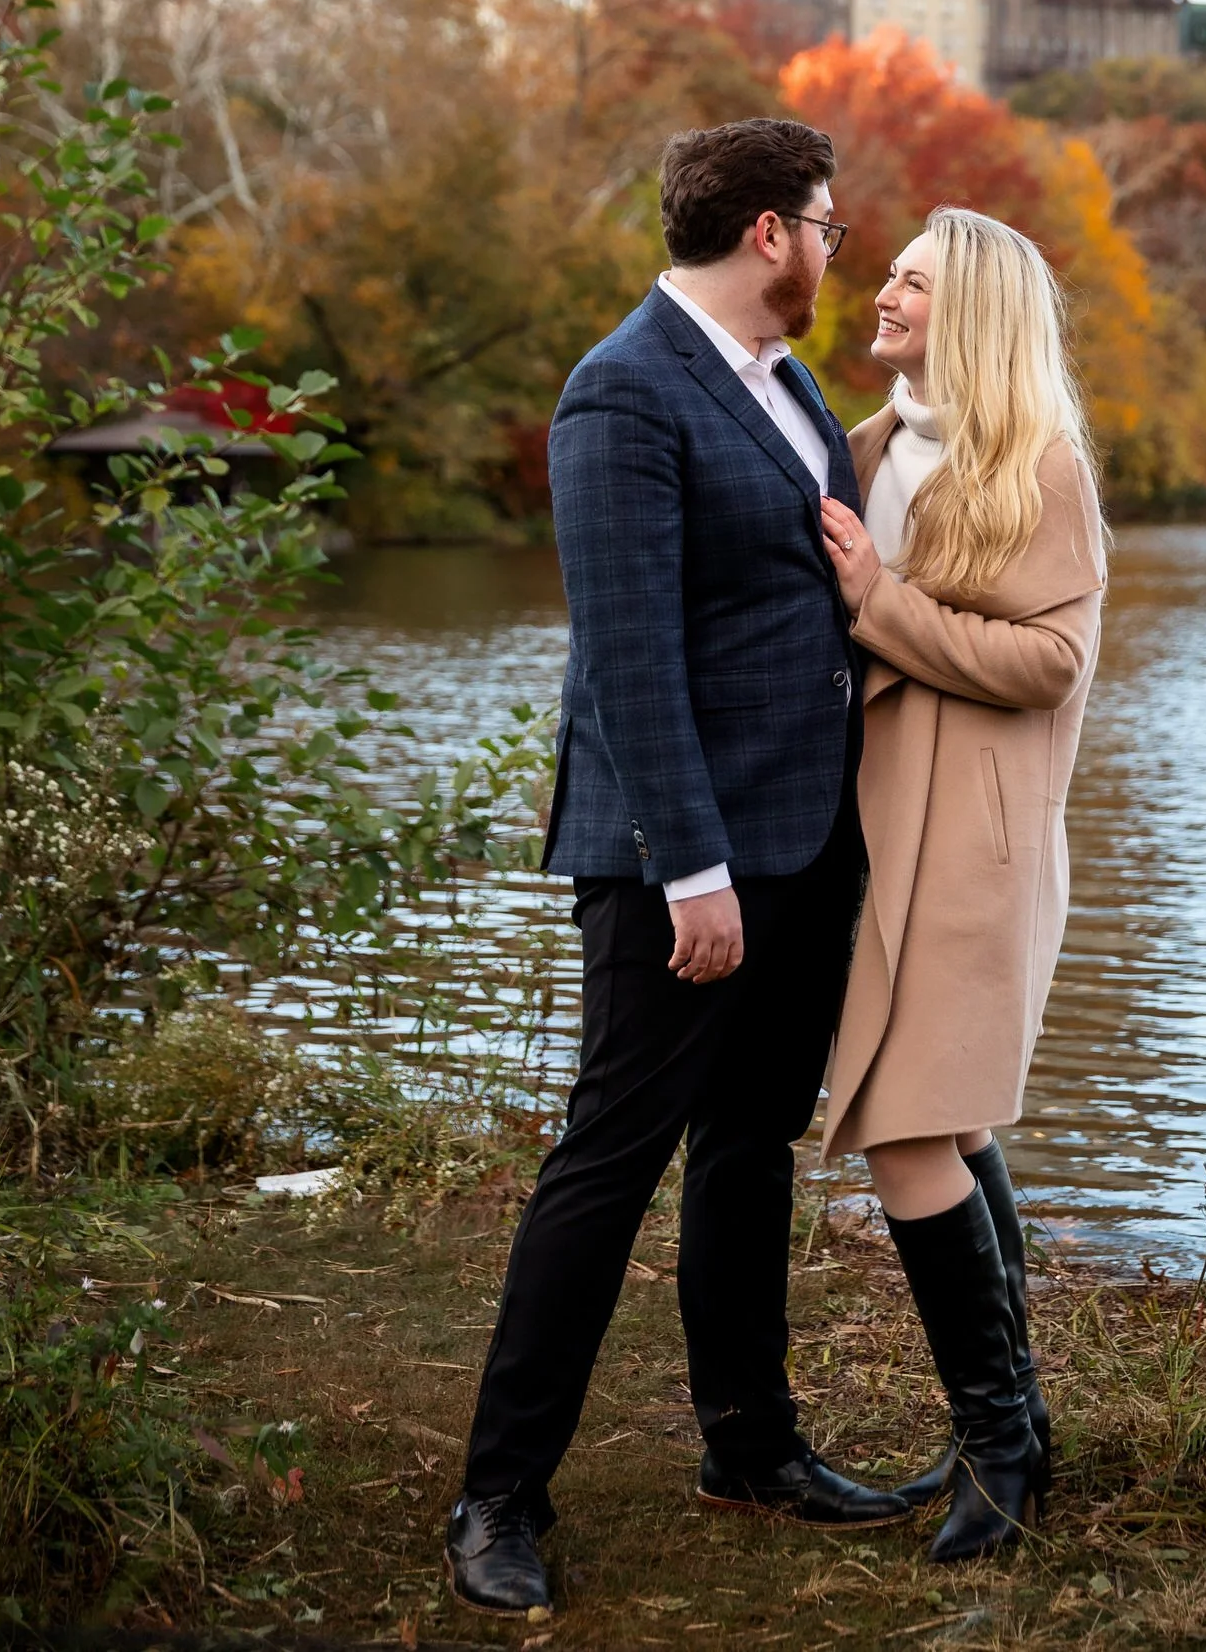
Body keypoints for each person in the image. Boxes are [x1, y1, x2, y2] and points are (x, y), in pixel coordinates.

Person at [445, 118, 910, 1618]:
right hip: (685, 861)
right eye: (830, 225)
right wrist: (687, 872)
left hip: (804, 837)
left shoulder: (786, 385)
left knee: (748, 1150)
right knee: (606, 1162)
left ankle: (751, 1450)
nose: (841, 251)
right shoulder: (621, 391)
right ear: (768, 231)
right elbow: (629, 659)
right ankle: (497, 1497)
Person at [818, 207, 1106, 1564]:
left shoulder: (1037, 467)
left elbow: (1048, 663)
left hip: (976, 845)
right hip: (867, 838)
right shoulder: (857, 446)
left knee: (907, 1127)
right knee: (953, 1123)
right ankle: (1018, 1424)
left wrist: (881, 602)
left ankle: (993, 1447)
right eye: (886, 274)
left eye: (910, 284)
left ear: (970, 314)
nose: (880, 294)